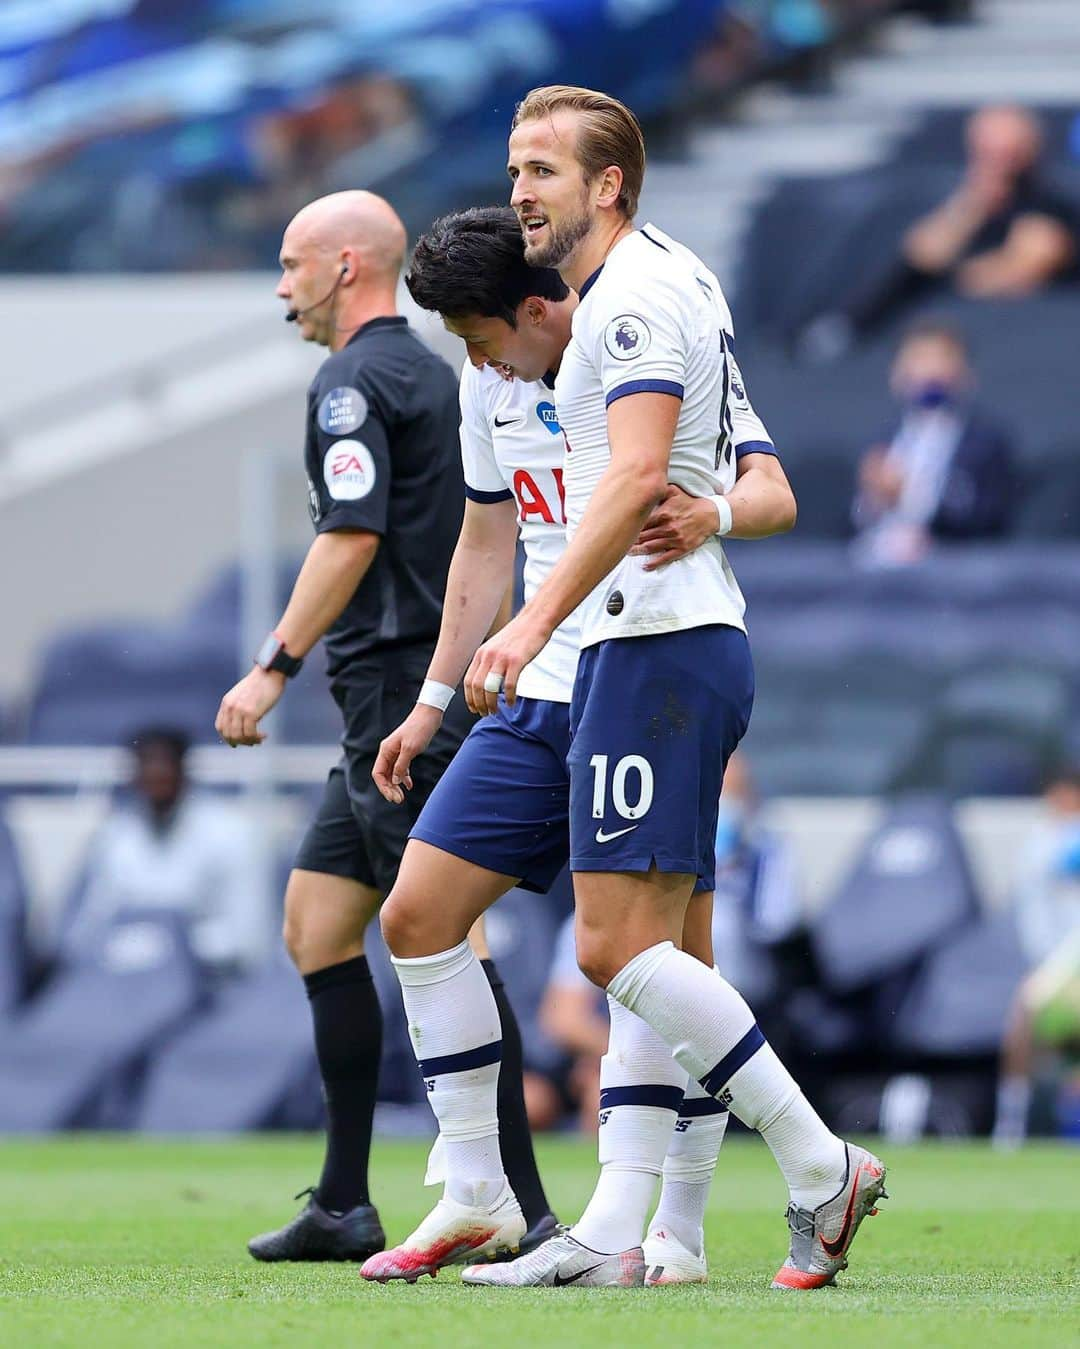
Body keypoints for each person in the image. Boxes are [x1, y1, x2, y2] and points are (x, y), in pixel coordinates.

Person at [404, 84, 885, 1292]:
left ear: (606, 185)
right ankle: (636, 1230)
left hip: (651, 641)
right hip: (635, 643)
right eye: (515, 168)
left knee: (629, 947)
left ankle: (816, 1166)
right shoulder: (646, 285)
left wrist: (528, 621)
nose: (521, 191)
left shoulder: (631, 304)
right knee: (633, 948)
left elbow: (627, 483)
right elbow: (639, 481)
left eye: (544, 172)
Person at [362, 204, 757, 1286]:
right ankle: (477, 1190)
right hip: (536, 687)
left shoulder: (636, 345)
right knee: (418, 911)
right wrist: (436, 697)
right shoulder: (484, 381)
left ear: (541, 308)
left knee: (658, 954)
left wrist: (717, 509)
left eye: (482, 336)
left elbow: (762, 480)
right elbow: (488, 540)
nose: (474, 359)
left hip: (640, 663)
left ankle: (680, 1224)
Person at [213, 189, 552, 1263]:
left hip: (398, 696)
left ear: (348, 265)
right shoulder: (436, 372)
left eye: (291, 263)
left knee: (444, 936)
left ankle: (524, 1208)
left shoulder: (352, 381)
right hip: (392, 695)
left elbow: (351, 536)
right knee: (317, 925)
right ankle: (345, 1197)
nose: (283, 288)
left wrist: (271, 666)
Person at [800, 104, 1078, 357]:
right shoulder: (968, 207)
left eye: (1007, 152)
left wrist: (952, 277)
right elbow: (919, 255)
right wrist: (971, 206)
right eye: (986, 151)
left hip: (1013, 340)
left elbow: (1019, 271)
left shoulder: (1049, 209)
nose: (996, 162)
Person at [65, 727, 265, 974]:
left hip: (211, 981)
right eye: (145, 765)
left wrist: (173, 947)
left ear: (183, 769)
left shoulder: (231, 833)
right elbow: (92, 923)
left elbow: (249, 937)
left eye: (163, 764)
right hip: (127, 977)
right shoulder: (114, 835)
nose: (154, 775)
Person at [851, 320, 1016, 566]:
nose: (929, 372)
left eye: (941, 360)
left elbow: (986, 515)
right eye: (917, 360)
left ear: (965, 374)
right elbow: (856, 516)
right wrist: (873, 497)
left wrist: (909, 493)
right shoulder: (883, 438)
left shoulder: (985, 442)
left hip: (951, 562)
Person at [993, 766, 1080, 1148]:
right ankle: (1012, 1119)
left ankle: (1011, 1124)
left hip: (1070, 958)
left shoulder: (1071, 837)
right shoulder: (1043, 837)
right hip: (1051, 961)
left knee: (1025, 1016)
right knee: (1034, 1036)